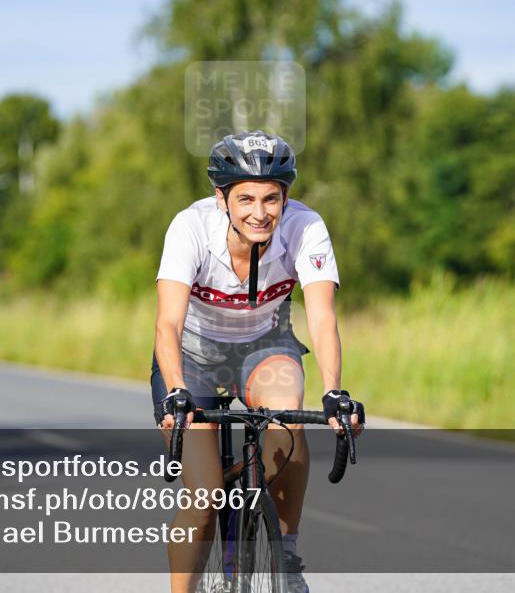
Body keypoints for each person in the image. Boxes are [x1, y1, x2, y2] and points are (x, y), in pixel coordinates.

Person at [152, 131, 365, 593]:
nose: (259, 212)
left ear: (286, 196)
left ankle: (285, 554)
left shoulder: (305, 227)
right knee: (204, 496)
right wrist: (175, 391)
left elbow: (323, 316)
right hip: (192, 359)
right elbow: (167, 323)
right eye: (245, 198)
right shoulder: (190, 228)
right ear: (221, 198)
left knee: (289, 419)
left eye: (271, 198)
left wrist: (333, 391)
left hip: (265, 347)